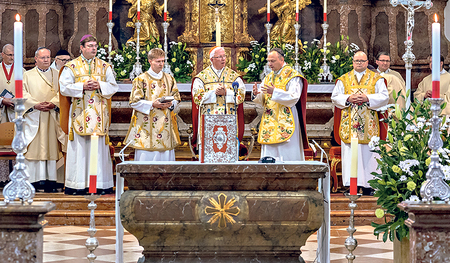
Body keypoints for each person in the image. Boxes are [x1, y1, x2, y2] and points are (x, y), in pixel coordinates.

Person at [59, 35, 118, 195]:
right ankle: (77, 185)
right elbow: (64, 88)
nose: (94, 49)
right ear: (81, 48)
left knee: (98, 150)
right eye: (90, 46)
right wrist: (82, 86)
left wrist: (100, 84)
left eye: (95, 46)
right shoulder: (71, 66)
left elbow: (113, 87)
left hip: (99, 114)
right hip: (80, 113)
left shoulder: (105, 67)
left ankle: (100, 184)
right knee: (80, 150)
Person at [331, 51, 389, 195]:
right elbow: (335, 97)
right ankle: (352, 187)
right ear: (352, 62)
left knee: (369, 154)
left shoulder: (376, 79)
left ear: (367, 62)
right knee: (351, 154)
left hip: (369, 124)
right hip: (349, 124)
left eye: (362, 61)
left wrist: (367, 98)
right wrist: (348, 98)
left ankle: (370, 186)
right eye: (356, 61)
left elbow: (384, 97)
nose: (359, 63)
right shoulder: (343, 79)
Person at [124, 48, 181, 161]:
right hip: (146, 128)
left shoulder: (169, 79)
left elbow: (176, 98)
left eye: (163, 61)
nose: (161, 64)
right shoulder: (140, 79)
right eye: (158, 61)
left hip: (165, 126)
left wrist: (170, 104)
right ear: (150, 61)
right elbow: (134, 102)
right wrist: (152, 104)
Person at [252, 48, 308, 161]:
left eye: (272, 61)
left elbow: (294, 97)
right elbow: (263, 99)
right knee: (269, 156)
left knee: (287, 154)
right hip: (270, 120)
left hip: (286, 119)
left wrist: (275, 92)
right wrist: (256, 94)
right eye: (268, 61)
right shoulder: (268, 77)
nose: (269, 64)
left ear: (282, 59)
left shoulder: (293, 76)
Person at [22, 47, 66, 192]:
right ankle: (35, 179)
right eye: (43, 58)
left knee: (52, 147)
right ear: (36, 59)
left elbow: (64, 92)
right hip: (35, 116)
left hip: (52, 115)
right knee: (36, 148)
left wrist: (54, 103)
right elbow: (22, 93)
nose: (46, 60)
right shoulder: (27, 75)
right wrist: (35, 105)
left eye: (48, 57)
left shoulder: (58, 74)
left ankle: (52, 180)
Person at [191, 46, 246, 157]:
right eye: (219, 57)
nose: (223, 59)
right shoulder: (202, 77)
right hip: (209, 120)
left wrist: (227, 93)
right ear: (211, 59)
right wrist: (214, 93)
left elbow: (241, 95)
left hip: (229, 119)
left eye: (224, 56)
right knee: (210, 152)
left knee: (228, 151)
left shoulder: (234, 77)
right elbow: (197, 97)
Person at [0, 44, 25, 185]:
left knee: (16, 144)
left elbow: (26, 90)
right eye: (9, 55)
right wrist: (2, 100)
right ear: (2, 54)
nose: (12, 58)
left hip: (15, 112)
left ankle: (16, 177)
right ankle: (2, 178)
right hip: (1, 110)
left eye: (14, 55)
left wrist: (16, 101)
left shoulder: (21, 71)